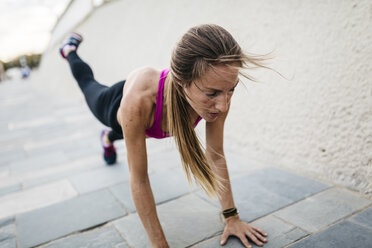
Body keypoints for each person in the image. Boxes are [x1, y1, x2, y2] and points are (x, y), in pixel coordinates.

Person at [59, 24, 269, 248]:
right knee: (87, 83)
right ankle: (70, 51)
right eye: (212, 94)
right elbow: (139, 179)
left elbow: (215, 156)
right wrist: (160, 245)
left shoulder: (219, 91)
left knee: (139, 133)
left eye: (231, 89)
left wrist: (232, 217)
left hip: (152, 123)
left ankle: (109, 138)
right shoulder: (139, 101)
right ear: (182, 82)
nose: (223, 104)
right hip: (116, 107)